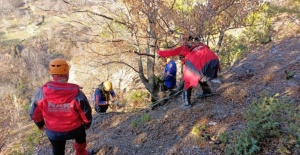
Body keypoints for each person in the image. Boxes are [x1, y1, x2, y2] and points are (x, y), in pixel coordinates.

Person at [29, 58, 93, 155]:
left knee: (57, 151)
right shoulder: (77, 93)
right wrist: (87, 125)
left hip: (54, 132)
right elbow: (85, 112)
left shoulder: (42, 92)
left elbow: (34, 113)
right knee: (81, 138)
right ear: (67, 73)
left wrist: (40, 125)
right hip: (75, 129)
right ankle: (81, 153)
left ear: (51, 74)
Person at [157, 36, 221, 108]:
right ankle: (207, 91)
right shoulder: (198, 45)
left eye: (181, 59)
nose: (181, 62)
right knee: (198, 76)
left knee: (187, 80)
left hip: (204, 62)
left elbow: (170, 52)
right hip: (214, 60)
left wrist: (158, 52)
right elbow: (207, 47)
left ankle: (187, 102)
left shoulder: (184, 49)